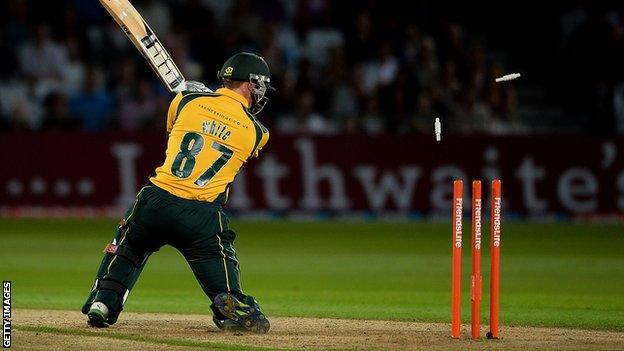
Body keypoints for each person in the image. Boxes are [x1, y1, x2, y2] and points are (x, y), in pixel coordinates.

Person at [81, 52, 274, 333]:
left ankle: (103, 303)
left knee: (129, 246)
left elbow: (175, 130)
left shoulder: (186, 101)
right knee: (221, 253)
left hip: (156, 201)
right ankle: (230, 303)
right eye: (261, 85)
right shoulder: (258, 132)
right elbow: (223, 134)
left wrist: (195, 96)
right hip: (202, 216)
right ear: (250, 84)